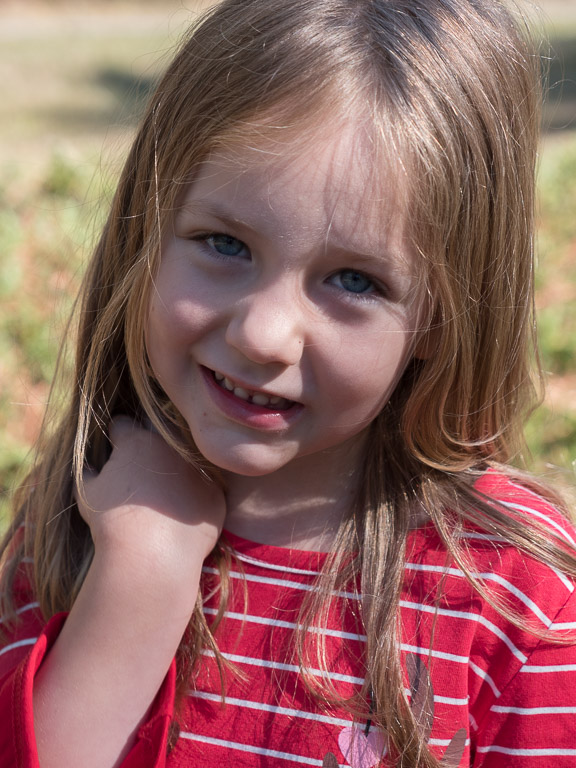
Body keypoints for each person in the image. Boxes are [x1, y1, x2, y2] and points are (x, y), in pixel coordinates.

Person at [1, 0, 575, 765]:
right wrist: (139, 581)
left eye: (354, 280)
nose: (263, 334)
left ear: (444, 317)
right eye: (224, 243)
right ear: (147, 231)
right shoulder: (81, 514)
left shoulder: (517, 596)